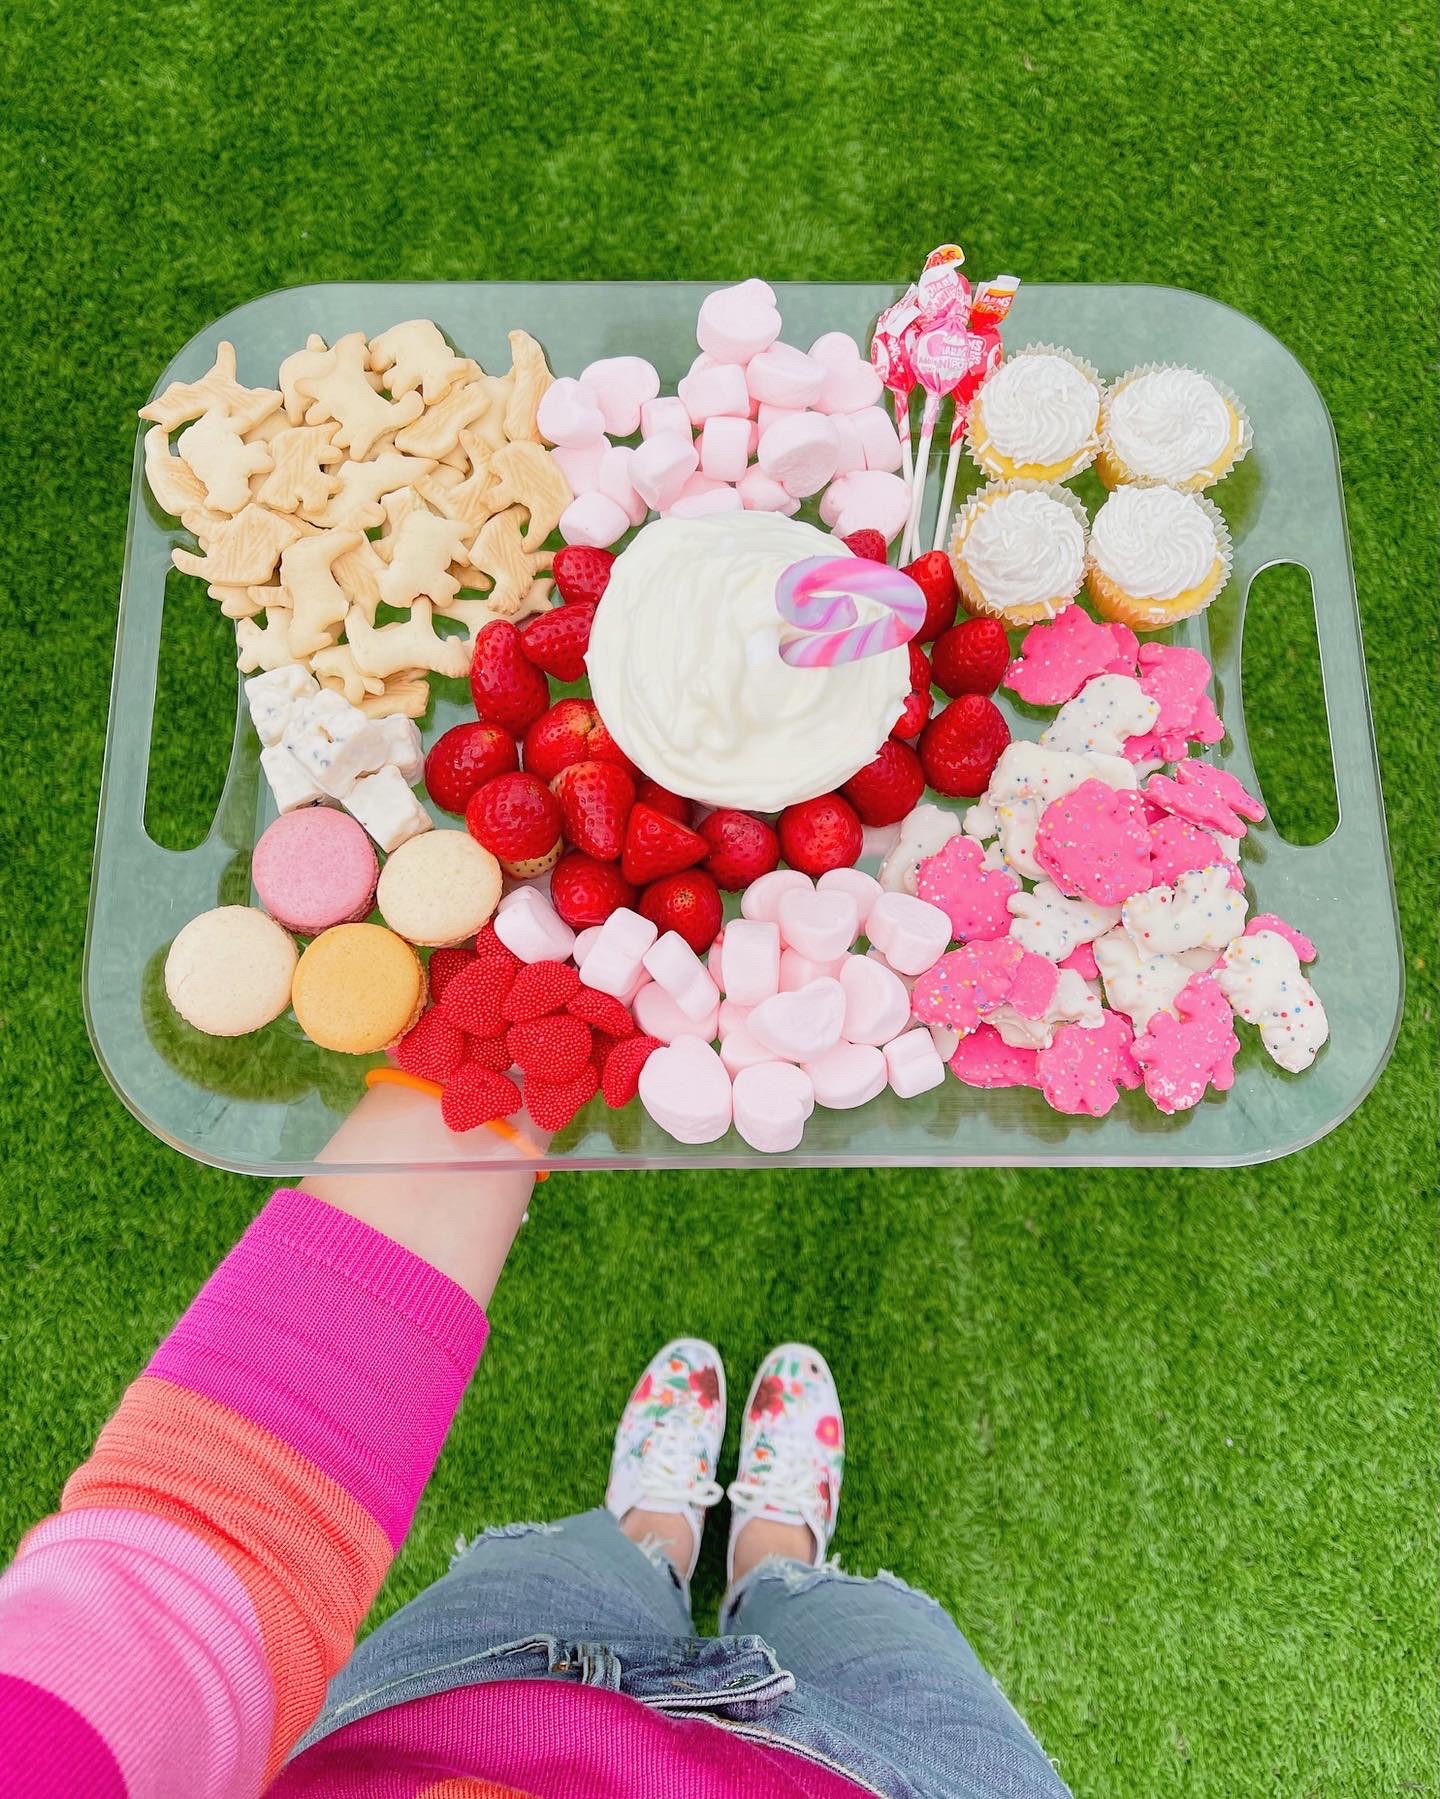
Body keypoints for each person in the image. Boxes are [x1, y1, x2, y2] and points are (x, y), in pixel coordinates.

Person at [0, 1083, 1071, 1798]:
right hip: (909, 1776)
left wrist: (485, 1075)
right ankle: (772, 1558)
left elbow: (173, 1605)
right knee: (864, 1620)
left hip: (457, 1709)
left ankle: (656, 1532)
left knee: (571, 1562)